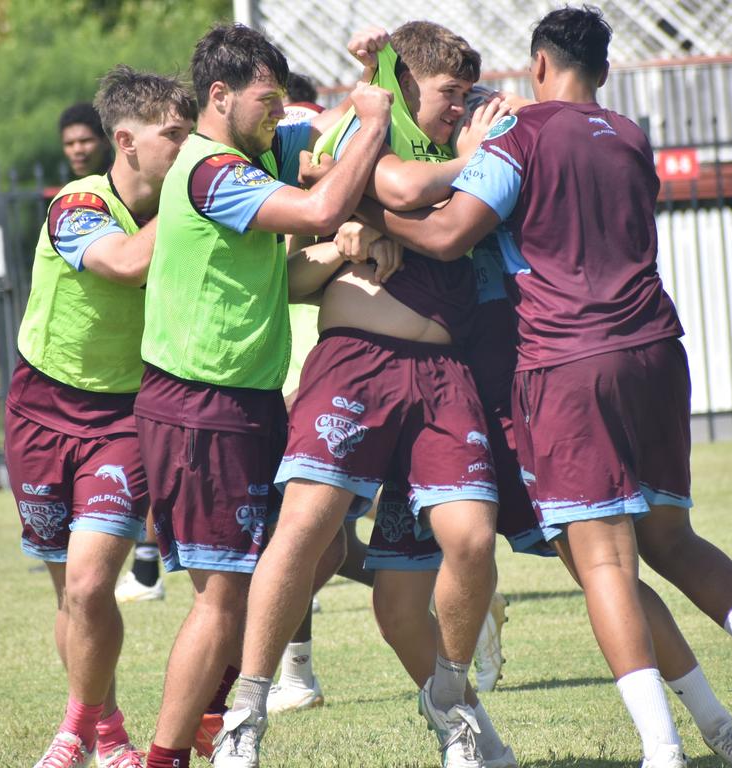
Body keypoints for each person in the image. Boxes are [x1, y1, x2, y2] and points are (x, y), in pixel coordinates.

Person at [358, 6, 732, 767]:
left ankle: (662, 750)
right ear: (603, 72)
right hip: (656, 349)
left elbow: (448, 232)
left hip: (569, 363)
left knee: (605, 563)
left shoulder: (525, 133)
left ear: (539, 65)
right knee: (670, 539)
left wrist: (366, 210)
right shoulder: (632, 136)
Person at [216, 23, 515, 768]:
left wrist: (472, 143)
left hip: (444, 376)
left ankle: (454, 710)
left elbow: (450, 190)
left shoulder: (468, 140)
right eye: (447, 94)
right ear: (407, 85)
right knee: (307, 528)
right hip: (355, 362)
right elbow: (389, 171)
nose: (458, 108)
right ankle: (246, 715)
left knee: (469, 543)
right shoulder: (368, 126)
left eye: (464, 95)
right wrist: (376, 69)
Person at [134, 22, 392, 768]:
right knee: (223, 601)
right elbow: (317, 207)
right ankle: (169, 754)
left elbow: (329, 143)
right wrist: (371, 122)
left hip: (245, 406)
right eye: (267, 100)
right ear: (220, 96)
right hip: (199, 409)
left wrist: (367, 81)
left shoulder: (253, 149)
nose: (279, 114)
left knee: (320, 546)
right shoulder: (213, 169)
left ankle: (213, 726)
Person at [6, 65, 196, 768]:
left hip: (123, 416)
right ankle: (108, 732)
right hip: (40, 408)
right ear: (127, 141)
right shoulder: (78, 204)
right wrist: (190, 203)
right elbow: (120, 264)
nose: (189, 148)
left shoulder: (187, 201)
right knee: (72, 597)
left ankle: (70, 733)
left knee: (91, 583)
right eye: (175, 136)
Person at [59, 102, 112, 178]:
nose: (77, 150)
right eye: (69, 143)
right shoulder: (70, 189)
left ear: (106, 141)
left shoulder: (125, 186)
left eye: (85, 141)